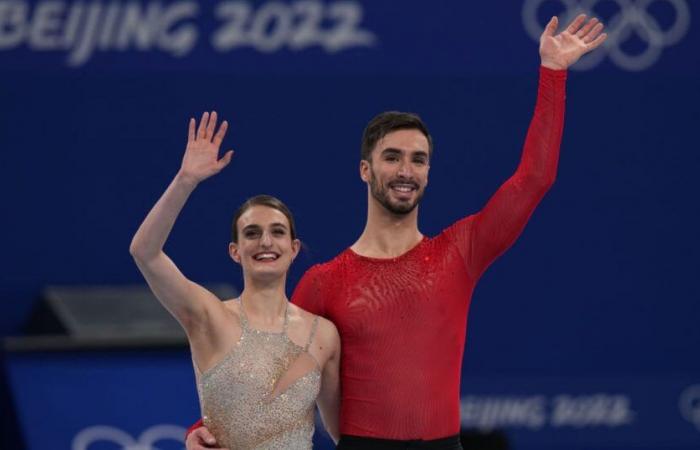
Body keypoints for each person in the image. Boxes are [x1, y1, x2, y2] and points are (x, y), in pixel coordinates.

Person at [187, 14, 607, 450]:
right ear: (365, 170)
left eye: (418, 160)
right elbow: (258, 371)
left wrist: (553, 73)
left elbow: (533, 179)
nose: (406, 171)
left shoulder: (461, 251)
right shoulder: (324, 282)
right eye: (392, 157)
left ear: (428, 173)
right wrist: (198, 429)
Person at [129, 111, 341, 449]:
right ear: (235, 251)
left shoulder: (324, 334)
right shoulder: (209, 315)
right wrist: (185, 180)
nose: (266, 242)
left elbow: (342, 433)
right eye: (252, 234)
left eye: (277, 232)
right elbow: (145, 252)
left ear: (294, 247)